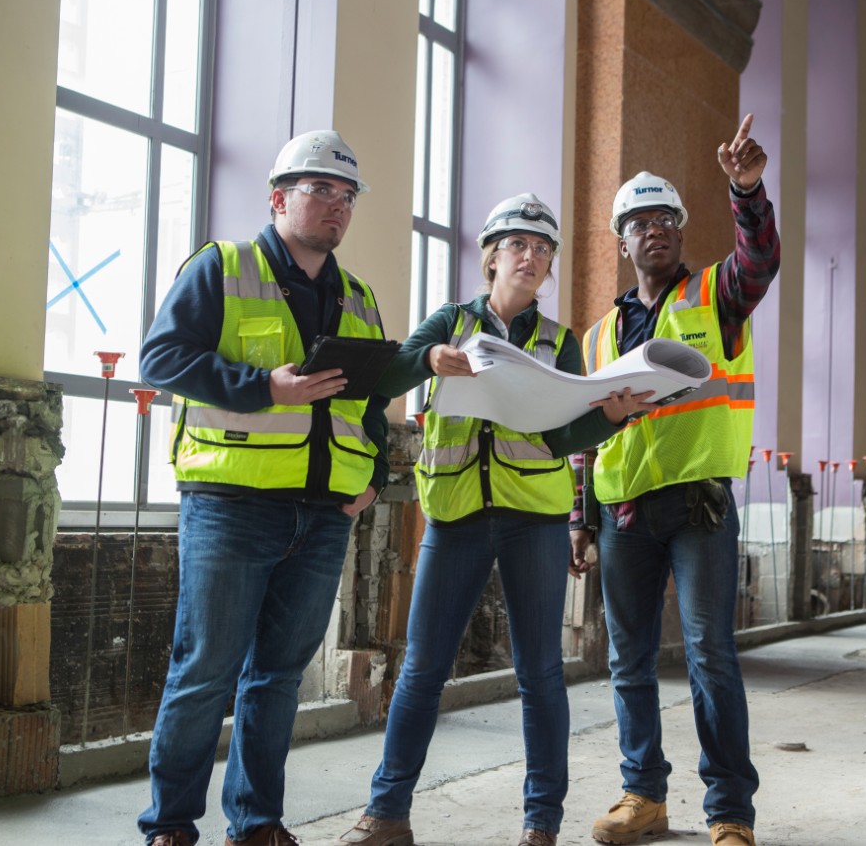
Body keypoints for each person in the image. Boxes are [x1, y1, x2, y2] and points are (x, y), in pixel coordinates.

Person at [336, 195, 656, 846]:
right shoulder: (450, 322)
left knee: (540, 672)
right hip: (454, 516)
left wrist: (610, 415)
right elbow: (390, 371)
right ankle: (387, 811)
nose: (532, 257)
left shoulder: (559, 341)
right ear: (491, 257)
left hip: (533, 521)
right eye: (520, 246)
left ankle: (542, 823)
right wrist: (428, 360)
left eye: (543, 250)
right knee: (423, 665)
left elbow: (566, 432)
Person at [136, 130, 391, 846]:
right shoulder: (223, 268)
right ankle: (170, 824)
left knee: (278, 676)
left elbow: (369, 404)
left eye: (346, 197)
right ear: (278, 198)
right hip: (231, 504)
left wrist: (373, 475)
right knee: (205, 670)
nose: (336, 207)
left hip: (325, 514)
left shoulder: (360, 296)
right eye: (320, 192)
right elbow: (161, 357)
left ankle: (255, 822)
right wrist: (263, 387)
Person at [571, 114, 780, 846]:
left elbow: (759, 260)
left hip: (699, 508)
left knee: (708, 652)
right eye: (640, 220)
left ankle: (729, 809)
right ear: (621, 238)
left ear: (681, 232)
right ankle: (643, 796)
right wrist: (578, 518)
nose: (654, 228)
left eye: (666, 218)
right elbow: (583, 433)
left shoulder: (717, 295)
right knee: (626, 658)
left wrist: (746, 191)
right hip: (621, 512)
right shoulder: (598, 334)